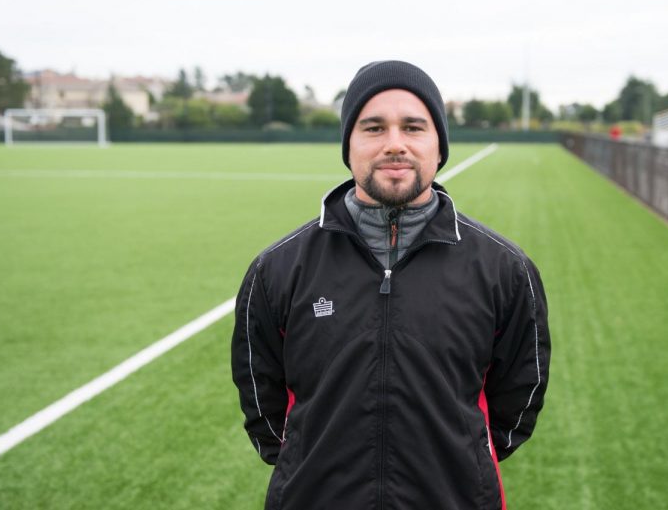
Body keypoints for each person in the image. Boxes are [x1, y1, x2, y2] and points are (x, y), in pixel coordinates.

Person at [231, 60, 551, 510]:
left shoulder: (504, 268)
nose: (394, 144)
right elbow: (262, 403)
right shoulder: (278, 268)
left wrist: (463, 458)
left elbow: (518, 399)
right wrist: (307, 458)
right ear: (349, 145)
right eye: (374, 128)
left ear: (439, 145)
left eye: (414, 127)